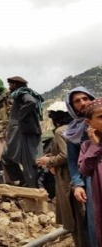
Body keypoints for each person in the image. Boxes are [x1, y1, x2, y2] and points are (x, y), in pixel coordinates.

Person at [36, 101, 88, 245]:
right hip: (77, 177)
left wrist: (49, 161)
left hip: (67, 179)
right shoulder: (76, 129)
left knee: (75, 219)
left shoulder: (61, 131)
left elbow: (65, 155)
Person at [64, 86, 97, 246]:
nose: (83, 103)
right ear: (72, 106)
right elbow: (72, 160)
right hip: (91, 178)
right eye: (77, 101)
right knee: (95, 218)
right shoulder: (72, 131)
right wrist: (78, 184)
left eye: (85, 98)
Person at [1, 76, 43, 188]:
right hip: (23, 132)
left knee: (29, 162)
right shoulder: (20, 94)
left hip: (24, 133)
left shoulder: (22, 93)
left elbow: (31, 102)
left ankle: (33, 188)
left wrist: (20, 116)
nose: (9, 87)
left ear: (15, 84)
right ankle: (23, 181)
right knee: (6, 156)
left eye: (10, 84)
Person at [79, 98, 102, 247]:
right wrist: (95, 145)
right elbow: (85, 170)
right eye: (100, 117)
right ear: (89, 123)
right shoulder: (87, 146)